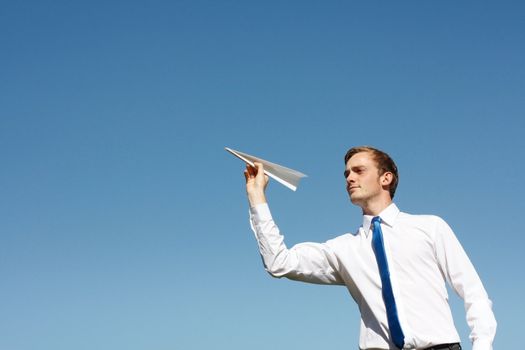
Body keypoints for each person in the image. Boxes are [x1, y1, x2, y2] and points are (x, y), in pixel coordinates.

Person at [243, 146, 496, 350]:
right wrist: (257, 198)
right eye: (346, 174)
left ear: (386, 178)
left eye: (359, 170)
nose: (349, 178)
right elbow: (279, 263)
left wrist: (482, 345)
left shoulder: (430, 227)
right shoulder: (342, 249)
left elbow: (473, 291)